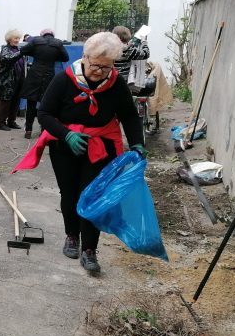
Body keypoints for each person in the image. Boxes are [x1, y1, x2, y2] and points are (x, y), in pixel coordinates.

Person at [13, 32, 145, 274]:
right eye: (95, 65)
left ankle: (90, 250)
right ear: (85, 57)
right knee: (70, 193)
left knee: (92, 196)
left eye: (106, 68)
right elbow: (44, 115)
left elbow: (128, 116)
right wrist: (67, 134)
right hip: (65, 146)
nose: (99, 72)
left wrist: (137, 143)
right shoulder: (64, 79)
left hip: (100, 147)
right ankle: (72, 236)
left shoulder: (116, 84)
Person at [19, 28, 69, 139]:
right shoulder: (58, 43)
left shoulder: (36, 41)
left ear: (42, 34)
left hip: (34, 75)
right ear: (52, 34)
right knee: (45, 104)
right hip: (49, 75)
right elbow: (65, 58)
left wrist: (34, 53)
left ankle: (28, 129)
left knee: (31, 103)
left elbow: (23, 50)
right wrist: (54, 57)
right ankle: (43, 130)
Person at [0, 29, 25, 131]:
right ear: (9, 39)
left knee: (15, 101)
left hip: (17, 80)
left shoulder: (17, 49)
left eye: (18, 38)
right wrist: (21, 53)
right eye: (15, 38)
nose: (17, 40)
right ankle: (1, 123)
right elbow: (8, 59)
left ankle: (11, 121)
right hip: (6, 81)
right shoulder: (5, 50)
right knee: (5, 102)